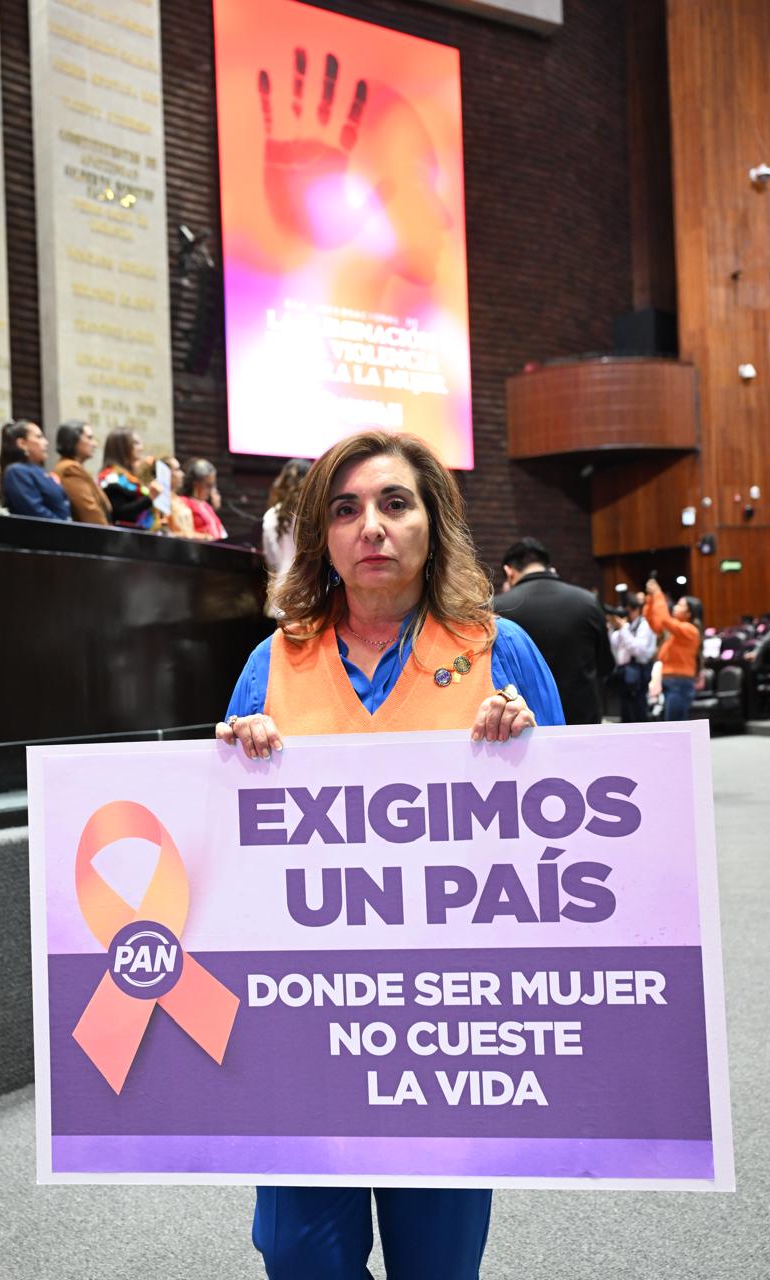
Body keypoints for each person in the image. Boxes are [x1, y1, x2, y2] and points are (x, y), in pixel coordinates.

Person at [215, 430, 564, 1280]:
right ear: (322, 537)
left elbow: (577, 834)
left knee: (436, 1265)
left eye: (393, 503)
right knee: (297, 1256)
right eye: (345, 510)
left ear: (431, 524)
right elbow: (221, 856)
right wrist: (231, 764)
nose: (370, 526)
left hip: (449, 1029)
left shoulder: (500, 650)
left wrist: (527, 755)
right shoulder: (271, 662)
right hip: (302, 1022)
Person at [493, 537, 613, 724]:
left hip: (525, 726)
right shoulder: (588, 601)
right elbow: (605, 665)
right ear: (548, 566)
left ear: (509, 571)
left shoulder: (498, 609)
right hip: (582, 723)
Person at [643, 578, 702, 720]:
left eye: (681, 605)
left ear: (689, 613)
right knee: (673, 723)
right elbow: (654, 622)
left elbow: (664, 620)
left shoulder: (690, 630)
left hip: (680, 683)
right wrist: (651, 599)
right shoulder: (675, 630)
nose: (675, 606)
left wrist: (658, 594)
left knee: (675, 724)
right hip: (671, 682)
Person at [262, 457, 310, 611]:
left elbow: (271, 560)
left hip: (280, 594)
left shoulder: (271, 515)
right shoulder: (313, 515)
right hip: (311, 594)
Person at [0, 419, 70, 521]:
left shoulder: (40, 471)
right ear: (22, 443)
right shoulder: (16, 472)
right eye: (39, 437)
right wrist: (64, 527)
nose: (46, 443)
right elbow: (35, 513)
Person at [97, 430, 161, 531]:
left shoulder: (129, 477)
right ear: (121, 447)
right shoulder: (111, 477)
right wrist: (150, 498)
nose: (141, 448)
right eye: (135, 443)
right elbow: (120, 513)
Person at [608, 593, 657, 722]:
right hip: (624, 674)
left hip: (638, 674)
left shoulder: (644, 625)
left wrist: (623, 629)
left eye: (627, 611)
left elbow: (638, 650)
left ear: (636, 609)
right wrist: (613, 626)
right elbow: (614, 646)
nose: (625, 615)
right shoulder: (627, 626)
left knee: (638, 713)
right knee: (626, 715)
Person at [53, 420, 112, 526]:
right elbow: (90, 512)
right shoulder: (70, 469)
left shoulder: (71, 466)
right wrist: (110, 534)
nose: (95, 444)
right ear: (72, 440)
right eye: (89, 438)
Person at [181, 458, 228, 540]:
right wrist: (205, 537)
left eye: (212, 486)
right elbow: (183, 533)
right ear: (196, 484)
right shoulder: (183, 503)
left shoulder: (207, 506)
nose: (211, 490)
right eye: (208, 485)